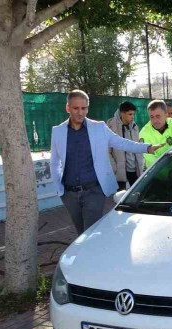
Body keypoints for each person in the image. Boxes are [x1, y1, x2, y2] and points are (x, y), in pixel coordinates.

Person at [51, 90, 159, 234]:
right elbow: (55, 162)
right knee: (80, 233)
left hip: (93, 191)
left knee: (90, 233)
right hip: (69, 194)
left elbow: (121, 142)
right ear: (68, 108)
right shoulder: (58, 131)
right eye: (76, 108)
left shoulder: (99, 127)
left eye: (84, 108)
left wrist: (146, 148)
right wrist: (60, 189)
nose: (80, 112)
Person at [139, 99, 172, 168]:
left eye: (158, 116)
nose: (155, 120)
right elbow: (152, 162)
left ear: (166, 115)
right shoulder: (144, 133)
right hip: (157, 172)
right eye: (152, 117)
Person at [107, 101, 143, 190]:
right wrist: (114, 168)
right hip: (119, 172)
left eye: (133, 114)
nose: (132, 117)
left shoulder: (135, 127)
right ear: (122, 113)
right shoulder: (111, 127)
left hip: (134, 169)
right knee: (120, 196)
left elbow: (136, 146)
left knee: (137, 193)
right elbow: (107, 151)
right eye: (130, 114)